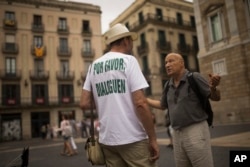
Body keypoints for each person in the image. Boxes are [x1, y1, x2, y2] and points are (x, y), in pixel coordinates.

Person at [80, 23, 159, 167]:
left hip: (107, 140)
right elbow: (140, 103)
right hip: (132, 138)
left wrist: (105, 99)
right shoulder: (129, 61)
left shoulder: (94, 66)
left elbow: (84, 103)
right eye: (131, 41)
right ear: (125, 40)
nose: (132, 44)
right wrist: (152, 138)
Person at [147, 52, 221, 167]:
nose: (167, 65)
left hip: (195, 130)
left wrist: (213, 87)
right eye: (166, 62)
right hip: (176, 133)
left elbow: (216, 97)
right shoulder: (168, 84)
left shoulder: (194, 77)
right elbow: (162, 105)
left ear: (182, 63)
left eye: (171, 61)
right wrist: (144, 100)